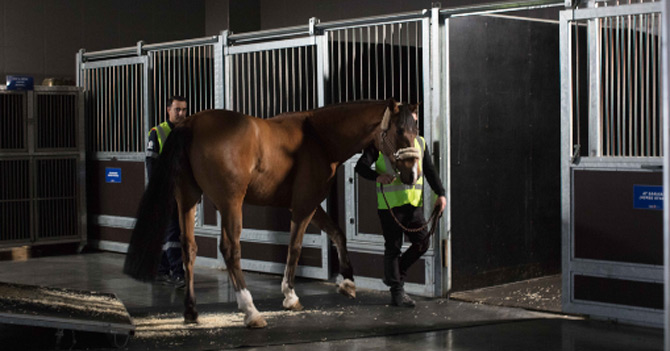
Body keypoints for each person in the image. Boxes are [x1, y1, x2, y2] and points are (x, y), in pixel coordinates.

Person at [355, 105, 446, 307]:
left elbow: (429, 171)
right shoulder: (379, 144)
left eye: (413, 122)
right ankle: (397, 292)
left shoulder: (420, 144)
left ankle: (394, 275)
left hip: (413, 205)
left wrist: (441, 194)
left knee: (422, 243)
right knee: (393, 248)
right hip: (390, 207)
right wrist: (377, 176)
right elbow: (360, 167)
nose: (410, 126)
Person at [145, 96, 189, 288]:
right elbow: (151, 162)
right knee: (173, 232)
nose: (181, 113)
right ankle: (178, 273)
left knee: (164, 231)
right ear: (167, 110)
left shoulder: (188, 132)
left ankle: (161, 270)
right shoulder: (158, 132)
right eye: (177, 109)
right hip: (165, 189)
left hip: (182, 190)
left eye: (184, 110)